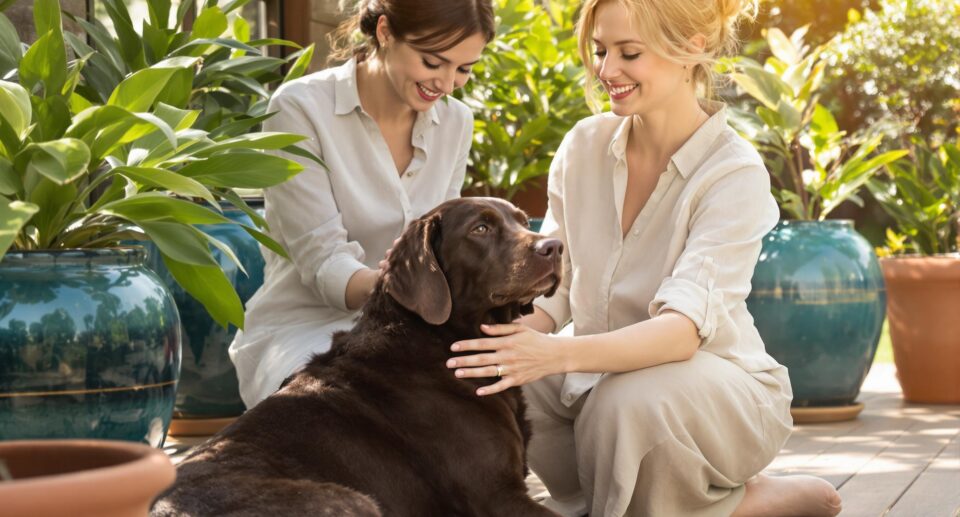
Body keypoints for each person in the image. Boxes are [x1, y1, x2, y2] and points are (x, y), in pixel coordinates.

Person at [444, 0, 843, 515]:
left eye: (629, 53)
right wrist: (514, 342)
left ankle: (756, 500)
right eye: (601, 51)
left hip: (713, 390)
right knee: (492, 374)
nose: (608, 71)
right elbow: (560, 288)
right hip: (600, 382)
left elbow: (680, 331)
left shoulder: (732, 173)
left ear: (691, 49)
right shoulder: (583, 145)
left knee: (623, 404)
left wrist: (555, 355)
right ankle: (717, 504)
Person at [229, 0, 494, 409]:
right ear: (385, 32)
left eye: (464, 69)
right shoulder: (300, 108)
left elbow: (445, 245)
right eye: (432, 62)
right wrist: (408, 284)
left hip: (413, 327)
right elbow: (324, 263)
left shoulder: (455, 122)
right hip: (305, 327)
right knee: (343, 409)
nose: (446, 84)